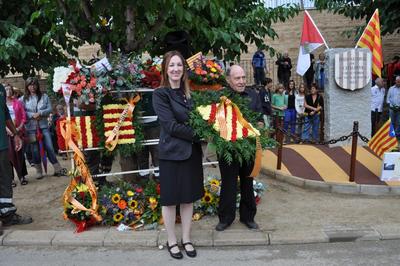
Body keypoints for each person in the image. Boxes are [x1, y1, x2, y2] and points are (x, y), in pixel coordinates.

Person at [152, 51, 203, 259]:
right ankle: (172, 240)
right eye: (172, 65)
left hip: (190, 154)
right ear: (166, 68)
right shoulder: (160, 94)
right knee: (170, 200)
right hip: (171, 154)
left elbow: (199, 119)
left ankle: (187, 238)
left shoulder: (189, 94)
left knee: (188, 199)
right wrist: (198, 134)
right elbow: (170, 126)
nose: (175, 69)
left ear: (184, 69)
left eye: (179, 65)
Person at [215, 65, 264, 232]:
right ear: (229, 80)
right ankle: (225, 219)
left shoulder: (253, 95)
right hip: (227, 150)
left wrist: (258, 127)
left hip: (248, 148)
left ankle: (248, 217)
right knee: (228, 184)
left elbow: (260, 119)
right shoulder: (221, 97)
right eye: (237, 78)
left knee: (247, 183)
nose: (242, 81)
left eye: (243, 77)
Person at [0, 83, 33, 228]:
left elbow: (6, 114)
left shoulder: (1, 89)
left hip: (2, 144)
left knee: (6, 179)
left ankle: (7, 216)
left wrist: (15, 134)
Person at [21, 77, 66, 179]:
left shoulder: (44, 96)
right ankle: (39, 171)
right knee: (35, 150)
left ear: (37, 85)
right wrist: (32, 115)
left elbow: (49, 109)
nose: (33, 87)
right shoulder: (23, 99)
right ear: (27, 86)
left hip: (44, 126)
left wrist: (40, 113)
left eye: (34, 84)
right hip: (31, 128)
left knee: (50, 147)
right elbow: (22, 112)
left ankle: (57, 169)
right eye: (30, 85)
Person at [5, 85, 28, 186]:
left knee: (19, 154)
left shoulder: (17, 102)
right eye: (6, 90)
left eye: (10, 89)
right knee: (9, 156)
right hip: (6, 133)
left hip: (18, 131)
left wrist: (18, 129)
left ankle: (22, 176)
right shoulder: (1, 104)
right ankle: (11, 179)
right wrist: (7, 129)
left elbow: (24, 117)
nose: (8, 91)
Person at [387, 76, 400, 148]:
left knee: (399, 123)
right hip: (392, 108)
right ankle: (391, 137)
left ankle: (397, 137)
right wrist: (392, 105)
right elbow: (387, 99)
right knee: (391, 122)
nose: (399, 83)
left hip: (399, 109)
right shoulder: (391, 89)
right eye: (398, 81)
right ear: (395, 81)